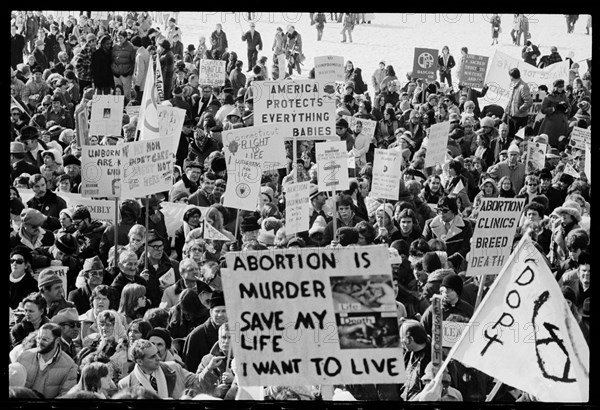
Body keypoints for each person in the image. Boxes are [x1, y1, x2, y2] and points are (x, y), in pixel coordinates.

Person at [118, 338, 202, 399]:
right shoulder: (125, 384)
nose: (158, 358)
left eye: (157, 353)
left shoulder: (174, 368)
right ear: (140, 362)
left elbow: (199, 382)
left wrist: (209, 368)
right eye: (152, 357)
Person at [182, 292, 227, 373]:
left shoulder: (237, 332)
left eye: (224, 311)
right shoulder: (196, 336)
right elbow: (189, 370)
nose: (220, 315)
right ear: (210, 313)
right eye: (217, 311)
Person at [196, 322, 235, 398]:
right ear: (218, 338)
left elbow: (257, 389)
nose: (226, 341)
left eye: (230, 337)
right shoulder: (208, 359)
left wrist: (234, 381)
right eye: (223, 337)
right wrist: (213, 392)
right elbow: (196, 385)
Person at [399, 320, 431, 401]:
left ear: (410, 339)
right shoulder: (407, 353)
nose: (400, 342)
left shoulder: (432, 360)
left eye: (402, 338)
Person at [503, 68, 532, 141]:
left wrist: (519, 109)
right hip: (511, 116)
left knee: (518, 138)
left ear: (512, 76)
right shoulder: (513, 85)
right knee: (510, 136)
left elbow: (528, 102)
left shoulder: (523, 86)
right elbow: (510, 100)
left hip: (519, 118)